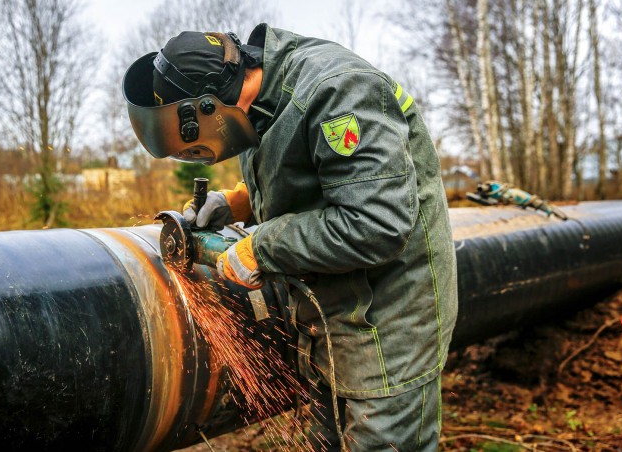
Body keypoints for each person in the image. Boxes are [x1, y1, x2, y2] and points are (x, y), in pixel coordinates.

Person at [123, 25, 458, 451]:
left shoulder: (338, 92)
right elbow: (315, 172)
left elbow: (377, 223)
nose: (192, 156)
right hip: (331, 316)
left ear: (205, 108)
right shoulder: (255, 103)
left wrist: (261, 247)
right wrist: (240, 201)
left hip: (387, 319)